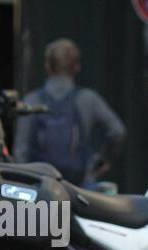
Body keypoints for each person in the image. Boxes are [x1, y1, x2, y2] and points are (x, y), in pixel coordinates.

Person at [14, 38, 127, 187]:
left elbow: (20, 150)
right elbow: (118, 131)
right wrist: (101, 161)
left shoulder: (32, 100)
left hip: (40, 187)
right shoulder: (88, 99)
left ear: (47, 66)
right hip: (80, 188)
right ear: (77, 67)